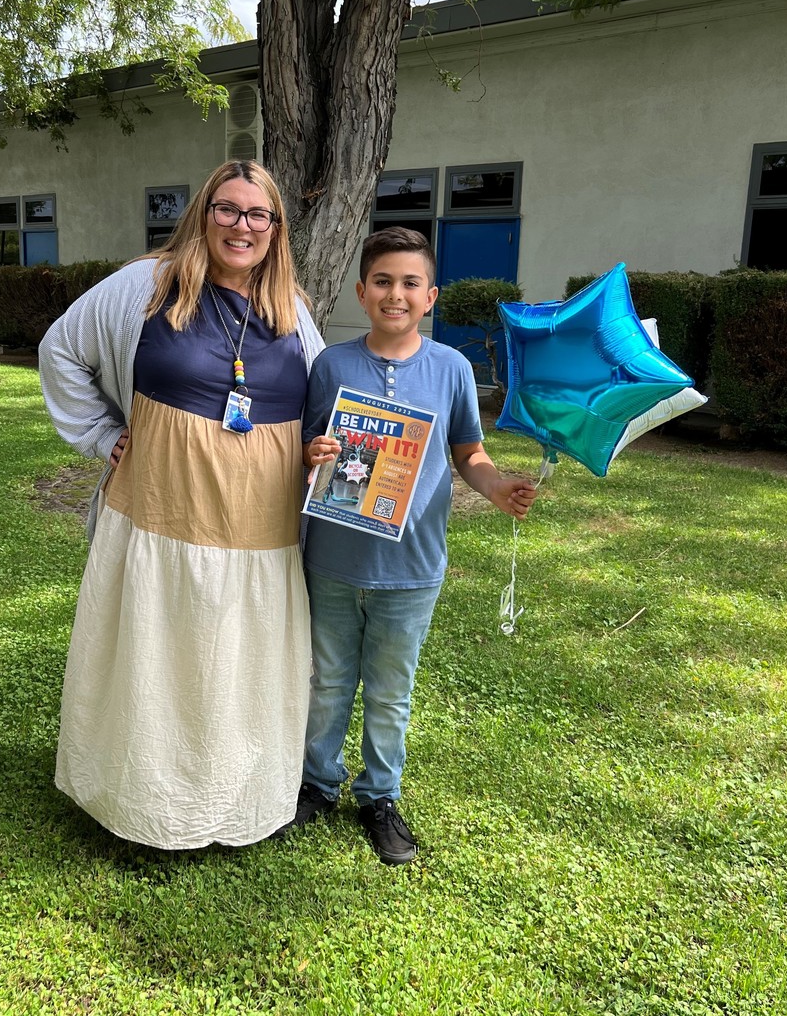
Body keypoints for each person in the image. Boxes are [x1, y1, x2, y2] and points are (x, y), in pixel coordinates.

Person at [39, 161, 326, 850]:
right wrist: (105, 434)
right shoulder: (148, 285)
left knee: (240, 664)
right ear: (204, 214)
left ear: (276, 229)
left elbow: (323, 403)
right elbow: (61, 350)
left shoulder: (292, 306)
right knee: (156, 659)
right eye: (227, 209)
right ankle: (141, 808)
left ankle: (240, 802)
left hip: (259, 531)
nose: (242, 226)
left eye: (259, 215)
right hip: (160, 518)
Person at [282, 226, 538, 864]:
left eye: (410, 283)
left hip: (413, 567)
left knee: (391, 690)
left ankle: (379, 797)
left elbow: (468, 453)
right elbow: (306, 448)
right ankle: (318, 783)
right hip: (333, 559)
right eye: (384, 282)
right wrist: (313, 454)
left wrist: (497, 484)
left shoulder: (452, 369)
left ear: (431, 297)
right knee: (329, 682)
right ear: (363, 292)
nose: (396, 294)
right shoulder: (332, 365)